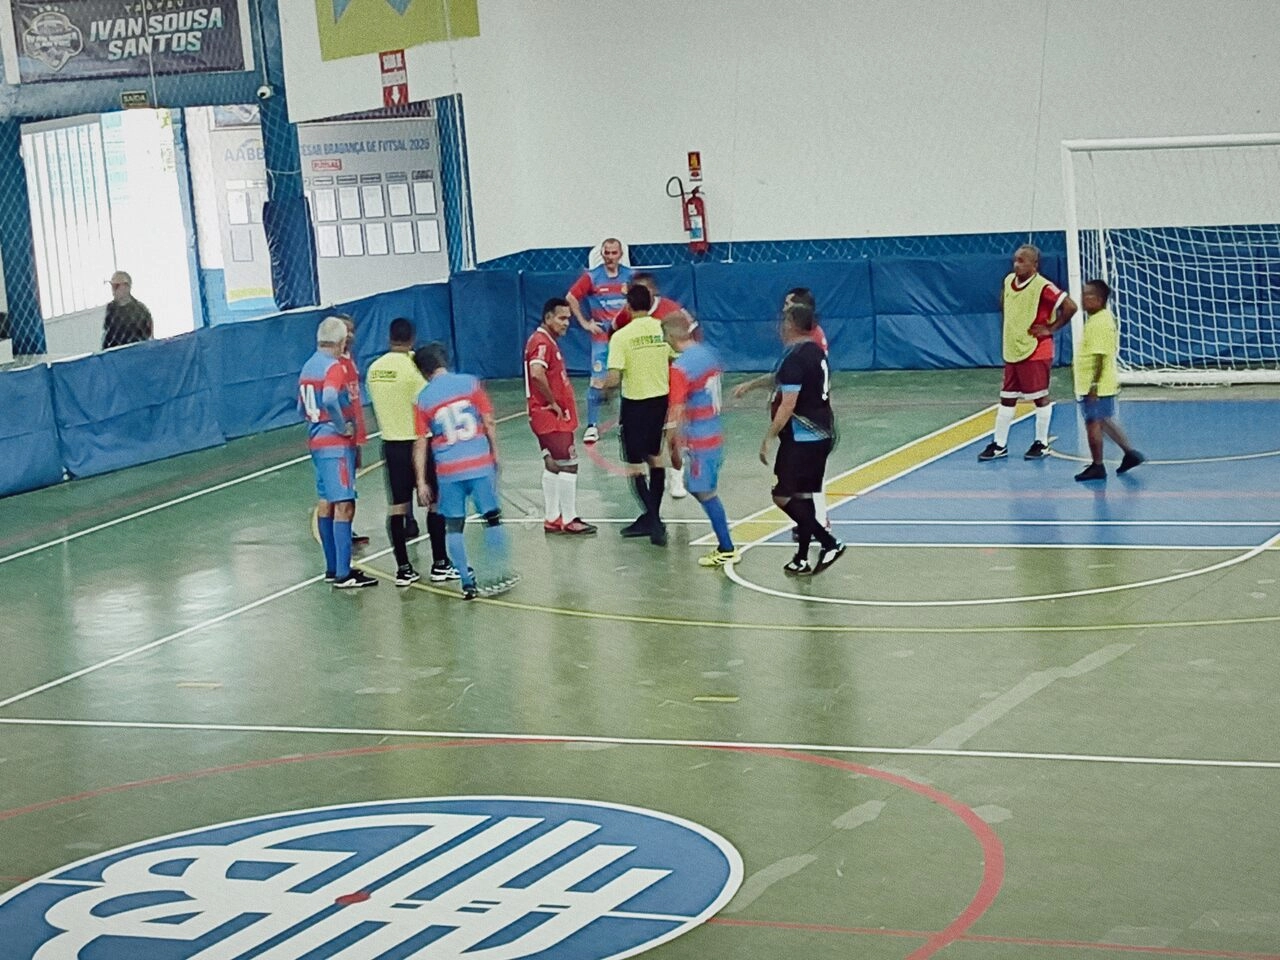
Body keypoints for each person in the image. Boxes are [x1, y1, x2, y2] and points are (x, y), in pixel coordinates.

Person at [413, 342, 517, 600]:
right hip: (479, 463)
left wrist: (422, 481)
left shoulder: (422, 399)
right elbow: (489, 422)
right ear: (444, 362)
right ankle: (499, 573)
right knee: (492, 518)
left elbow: (420, 442)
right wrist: (496, 455)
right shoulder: (471, 383)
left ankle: (467, 582)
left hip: (448, 471)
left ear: (423, 372)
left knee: (454, 526)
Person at [365, 318, 461, 584]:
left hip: (391, 445)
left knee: (397, 507)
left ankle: (403, 569)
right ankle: (440, 563)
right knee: (435, 502)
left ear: (389, 337)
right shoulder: (415, 368)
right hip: (420, 442)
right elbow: (428, 403)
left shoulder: (374, 369)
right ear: (412, 338)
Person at [733, 287, 831, 529]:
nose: (783, 310)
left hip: (805, 424)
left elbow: (792, 391)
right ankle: (812, 525)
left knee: (795, 485)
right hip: (812, 420)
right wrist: (754, 384)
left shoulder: (806, 344)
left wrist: (770, 435)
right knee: (805, 482)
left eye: (788, 305)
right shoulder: (806, 341)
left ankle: (819, 525)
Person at [760, 301, 845, 576]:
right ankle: (801, 558)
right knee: (804, 496)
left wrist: (768, 437)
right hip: (823, 433)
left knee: (782, 495)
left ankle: (829, 542)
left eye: (784, 321)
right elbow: (785, 380)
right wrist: (751, 385)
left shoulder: (794, 358)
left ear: (791, 325)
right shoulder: (815, 352)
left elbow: (788, 403)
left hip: (802, 438)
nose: (780, 326)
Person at [297, 317, 377, 589]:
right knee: (344, 504)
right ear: (341, 341)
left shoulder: (308, 367)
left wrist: (316, 421)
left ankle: (333, 567)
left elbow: (301, 408)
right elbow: (330, 398)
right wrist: (342, 427)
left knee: (326, 500)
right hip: (334, 444)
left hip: (316, 441)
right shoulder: (333, 367)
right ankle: (344, 572)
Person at [978, 244, 1078, 462]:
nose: (1016, 264)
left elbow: (1070, 306)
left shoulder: (1043, 286)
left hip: (1035, 350)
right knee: (1007, 397)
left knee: (1039, 397)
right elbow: (1006, 304)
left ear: (1035, 264)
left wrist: (1050, 328)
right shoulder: (1008, 281)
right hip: (1013, 348)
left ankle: (1041, 443)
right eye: (1015, 260)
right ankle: (999, 444)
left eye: (1022, 261)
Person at [664, 313, 738, 566]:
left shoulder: (680, 368)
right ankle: (725, 542)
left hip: (699, 439)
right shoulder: (709, 354)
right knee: (697, 486)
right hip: (715, 432)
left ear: (671, 337)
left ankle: (727, 546)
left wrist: (671, 443)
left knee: (703, 491)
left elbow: (675, 411)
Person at [612, 272, 692, 499]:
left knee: (648, 451)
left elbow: (683, 345)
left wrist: (605, 388)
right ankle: (655, 509)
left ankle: (673, 483)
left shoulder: (670, 312)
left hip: (648, 394)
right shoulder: (646, 326)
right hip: (657, 393)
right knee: (655, 450)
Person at [604, 284, 672, 546]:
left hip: (635, 405)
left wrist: (601, 390)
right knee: (655, 459)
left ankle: (654, 521)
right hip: (659, 401)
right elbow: (675, 356)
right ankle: (652, 517)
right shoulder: (661, 329)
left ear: (628, 306)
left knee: (634, 466)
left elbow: (613, 377)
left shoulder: (621, 337)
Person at [525, 298, 596, 535]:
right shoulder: (542, 342)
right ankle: (569, 518)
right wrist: (553, 402)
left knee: (553, 464)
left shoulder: (544, 341)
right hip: (550, 416)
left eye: (568, 318)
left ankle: (552, 517)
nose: (566, 323)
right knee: (569, 465)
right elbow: (536, 373)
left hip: (541, 416)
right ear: (547, 318)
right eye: (562, 318)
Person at [1072, 279, 1145, 482]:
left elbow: (1100, 356)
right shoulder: (1098, 319)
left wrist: (1093, 386)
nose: (1083, 299)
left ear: (1099, 299)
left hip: (1097, 387)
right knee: (1103, 420)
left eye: (1088, 295)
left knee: (1093, 423)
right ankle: (1130, 454)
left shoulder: (1101, 322)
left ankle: (1097, 465)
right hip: (1098, 385)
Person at [567, 237, 633, 443]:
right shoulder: (592, 277)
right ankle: (592, 425)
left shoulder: (630, 276)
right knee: (597, 381)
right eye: (607, 253)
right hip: (602, 338)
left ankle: (626, 424)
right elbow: (570, 297)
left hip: (625, 337)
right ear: (602, 254)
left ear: (620, 254)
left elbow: (645, 299)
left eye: (614, 253)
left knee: (629, 381)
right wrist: (585, 323)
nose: (610, 257)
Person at [338, 316, 370, 546]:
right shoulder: (334, 365)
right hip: (341, 436)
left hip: (353, 433)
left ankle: (347, 530)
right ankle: (340, 535)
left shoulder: (350, 360)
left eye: (352, 330)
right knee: (340, 490)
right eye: (345, 331)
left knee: (350, 485)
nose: (350, 335)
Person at [102, 271, 154, 350]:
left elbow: (149, 339)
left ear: (127, 287)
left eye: (116, 286)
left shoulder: (141, 311)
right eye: (112, 286)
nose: (113, 290)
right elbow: (105, 338)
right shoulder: (109, 310)